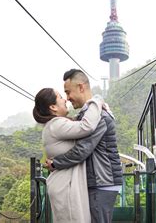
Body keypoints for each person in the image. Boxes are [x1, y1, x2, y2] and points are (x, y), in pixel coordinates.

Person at [46, 69, 122, 223]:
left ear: (81, 87)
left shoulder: (99, 117)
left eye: (68, 92)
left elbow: (83, 149)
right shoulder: (87, 115)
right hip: (97, 182)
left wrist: (56, 163)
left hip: (102, 182)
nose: (67, 98)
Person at [33, 87, 104, 223]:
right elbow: (87, 126)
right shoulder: (56, 124)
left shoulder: (56, 125)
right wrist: (96, 101)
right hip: (66, 187)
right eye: (60, 97)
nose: (65, 99)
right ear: (53, 107)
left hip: (66, 185)